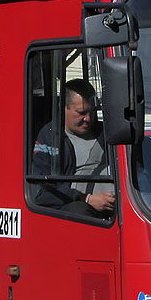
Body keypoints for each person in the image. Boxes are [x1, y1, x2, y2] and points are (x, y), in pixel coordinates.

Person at [31, 79, 115, 215]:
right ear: (63, 107)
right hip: (78, 210)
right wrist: (86, 199)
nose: (88, 118)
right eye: (81, 112)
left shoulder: (106, 133)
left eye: (92, 112)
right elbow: (41, 189)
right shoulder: (49, 137)